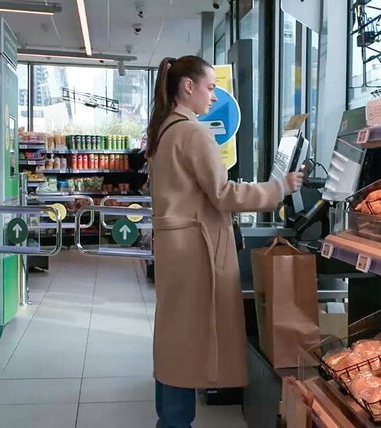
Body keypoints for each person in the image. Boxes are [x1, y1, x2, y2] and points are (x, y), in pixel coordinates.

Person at [146, 55, 304, 428]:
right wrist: (278, 188)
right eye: (210, 87)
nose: (214, 96)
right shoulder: (192, 131)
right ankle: (173, 422)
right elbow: (223, 194)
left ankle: (168, 419)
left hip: (177, 249)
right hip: (195, 253)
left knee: (174, 340)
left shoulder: (165, 128)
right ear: (188, 86)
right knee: (187, 344)